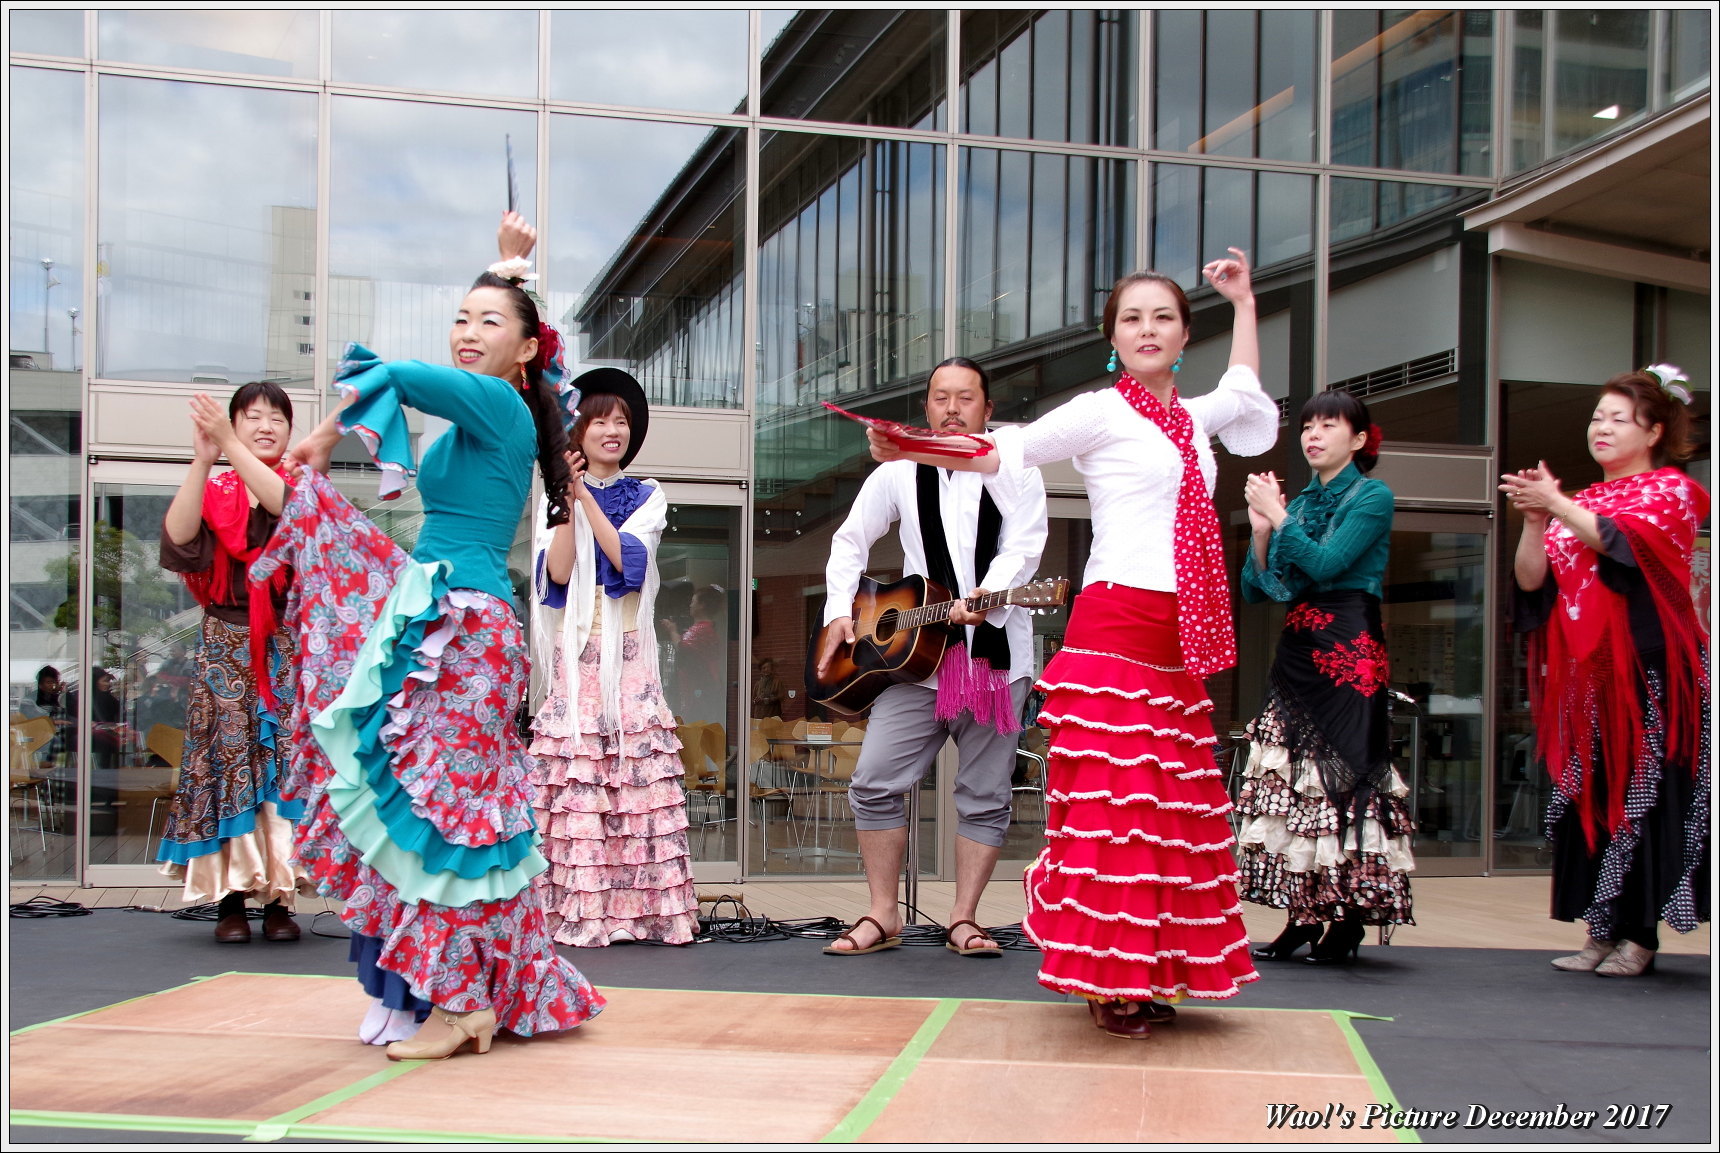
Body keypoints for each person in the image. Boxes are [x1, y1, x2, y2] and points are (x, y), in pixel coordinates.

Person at [867, 250, 1272, 1036]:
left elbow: (1246, 391)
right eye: (1132, 318)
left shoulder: (1195, 419)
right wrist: (917, 447)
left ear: (1185, 335)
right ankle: (1109, 978)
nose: (1147, 329)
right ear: (1112, 338)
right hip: (1114, 623)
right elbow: (997, 451)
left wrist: (1245, 301)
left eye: (1163, 317)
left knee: (1167, 816)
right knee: (1115, 814)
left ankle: (1157, 970)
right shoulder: (1100, 411)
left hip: (1177, 636)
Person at [249, 212, 604, 1058]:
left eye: (487, 320)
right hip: (446, 613)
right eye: (461, 317)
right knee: (446, 812)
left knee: (446, 814)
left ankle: (461, 1003)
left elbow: (397, 373)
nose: (466, 331)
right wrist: (508, 270)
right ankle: (476, 993)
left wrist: (329, 432)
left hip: (465, 624)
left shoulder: (499, 403)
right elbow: (448, 371)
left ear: (524, 352)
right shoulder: (506, 403)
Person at [819, 356, 1048, 958]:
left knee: (984, 794)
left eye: (965, 398)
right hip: (916, 661)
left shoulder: (1016, 467)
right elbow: (849, 540)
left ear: (987, 409)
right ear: (926, 408)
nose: (952, 408)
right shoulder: (902, 468)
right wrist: (839, 610)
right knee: (872, 782)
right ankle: (882, 914)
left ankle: (965, 918)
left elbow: (1025, 549)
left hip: (996, 663)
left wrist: (985, 597)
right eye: (940, 397)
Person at [1500, 365, 1709, 978]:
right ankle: (1601, 929)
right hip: (1587, 675)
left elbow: (1621, 543)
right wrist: (1537, 520)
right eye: (1597, 417)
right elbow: (1532, 580)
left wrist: (1556, 502)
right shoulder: (1581, 502)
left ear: (1655, 431)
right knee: (1588, 798)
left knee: (1642, 797)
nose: (1602, 428)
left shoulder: (1672, 491)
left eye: (1619, 419)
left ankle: (1639, 937)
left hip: (1651, 670)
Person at [1235, 390, 1414, 965]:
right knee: (1295, 783)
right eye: (1307, 426)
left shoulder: (1372, 495)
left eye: (1327, 426)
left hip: (1349, 646)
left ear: (1358, 439)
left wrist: (1281, 517)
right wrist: (1263, 530)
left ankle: (1351, 916)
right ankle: (1304, 915)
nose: (1313, 435)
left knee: (1346, 779)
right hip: (1298, 647)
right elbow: (1264, 588)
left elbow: (1329, 564)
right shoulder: (1304, 501)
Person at [527, 370, 701, 948]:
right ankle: (577, 913)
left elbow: (627, 564)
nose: (612, 430)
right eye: (599, 419)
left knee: (633, 781)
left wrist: (583, 499)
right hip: (575, 663)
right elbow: (554, 576)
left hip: (626, 661)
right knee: (579, 781)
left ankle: (642, 913)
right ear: (579, 429)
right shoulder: (553, 492)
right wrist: (565, 502)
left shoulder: (647, 495)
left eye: (622, 421)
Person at [156, 381, 303, 943]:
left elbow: (286, 511)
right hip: (225, 643)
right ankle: (231, 903)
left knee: (282, 768)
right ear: (234, 425)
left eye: (277, 419)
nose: (266, 426)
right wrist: (202, 458)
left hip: (287, 645)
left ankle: (280, 902)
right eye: (252, 417)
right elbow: (178, 541)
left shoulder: (301, 485)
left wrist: (229, 448)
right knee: (226, 766)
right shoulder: (216, 488)